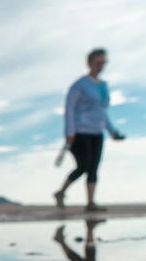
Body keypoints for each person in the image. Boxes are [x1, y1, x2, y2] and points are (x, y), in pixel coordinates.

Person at [53, 48, 125, 212]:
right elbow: (69, 108)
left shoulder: (103, 86)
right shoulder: (80, 85)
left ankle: (90, 203)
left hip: (96, 132)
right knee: (83, 166)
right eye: (98, 62)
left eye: (103, 63)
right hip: (79, 132)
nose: (101, 66)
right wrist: (69, 132)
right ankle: (61, 192)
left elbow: (103, 112)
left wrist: (113, 132)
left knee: (93, 167)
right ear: (89, 63)